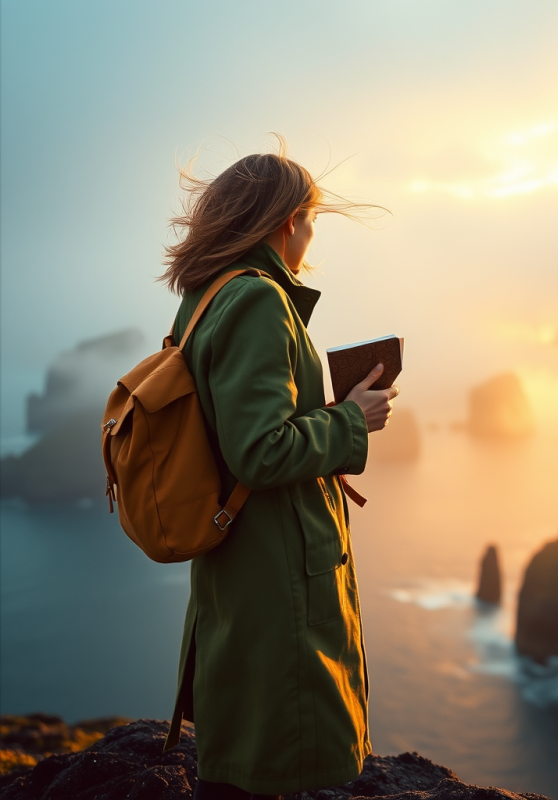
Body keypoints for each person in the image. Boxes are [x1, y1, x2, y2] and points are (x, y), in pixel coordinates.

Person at [158, 141, 397, 800]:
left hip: (238, 560)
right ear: (287, 220)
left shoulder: (205, 298)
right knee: (279, 763)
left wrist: (323, 423)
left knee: (243, 757)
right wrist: (351, 421)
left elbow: (235, 427)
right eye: (310, 220)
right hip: (276, 572)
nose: (311, 235)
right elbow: (259, 449)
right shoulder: (259, 300)